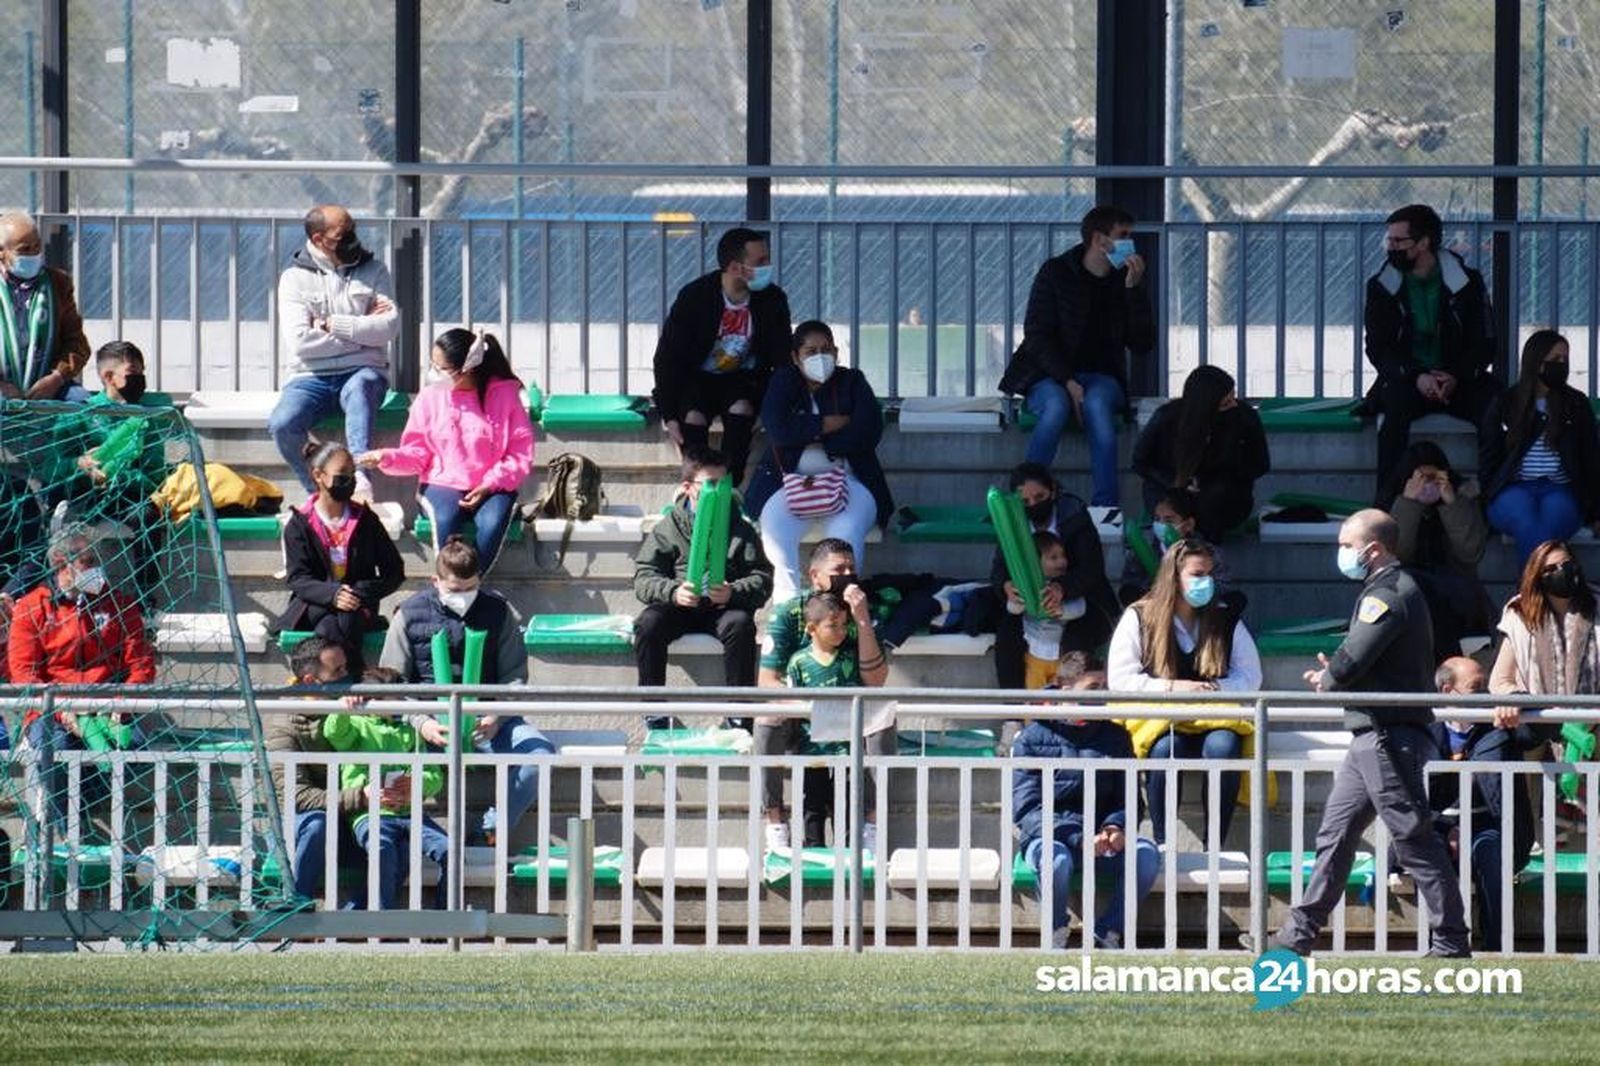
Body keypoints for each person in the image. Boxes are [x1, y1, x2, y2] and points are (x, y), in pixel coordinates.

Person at [1270, 508, 1471, 957]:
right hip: (1374, 735)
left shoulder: (1388, 593)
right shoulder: (1389, 589)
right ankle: (1296, 936)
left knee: (1413, 838)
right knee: (1336, 835)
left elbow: (1352, 660)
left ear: (1373, 549)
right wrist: (1337, 674)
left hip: (1386, 735)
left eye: (1347, 545)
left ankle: (1451, 941)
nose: (1341, 553)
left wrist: (1330, 677)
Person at [380, 536, 552, 847]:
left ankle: (490, 830)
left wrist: (496, 716)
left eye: (470, 588)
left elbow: (514, 676)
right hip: (429, 724)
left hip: (488, 720)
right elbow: (390, 682)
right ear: (435, 581)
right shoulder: (408, 614)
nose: (463, 597)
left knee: (539, 757)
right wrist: (422, 722)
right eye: (454, 590)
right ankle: (410, 844)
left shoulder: (499, 611)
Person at [1108, 538, 1260, 847]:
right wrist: (1171, 687)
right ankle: (1163, 844)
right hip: (1162, 720)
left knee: (1224, 748)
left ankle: (1214, 846)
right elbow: (1120, 678)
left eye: (1209, 574)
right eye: (1197, 574)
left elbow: (1251, 676)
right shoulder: (1139, 617)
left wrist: (1214, 689)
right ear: (1173, 577)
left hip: (1213, 718)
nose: (1206, 582)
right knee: (1165, 750)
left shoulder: (1225, 617)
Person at [999, 205, 1154, 507]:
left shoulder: (1124, 280)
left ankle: (1105, 509)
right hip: (1049, 374)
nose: (1130, 244)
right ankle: (1025, 499)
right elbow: (1037, 335)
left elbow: (1142, 344)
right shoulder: (1057, 272)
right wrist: (1068, 381)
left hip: (1103, 377)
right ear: (1099, 240)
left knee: (1097, 406)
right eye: (1123, 235)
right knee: (1055, 406)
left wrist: (1134, 291)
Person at [7, 527, 156, 827]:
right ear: (61, 564)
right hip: (51, 710)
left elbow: (141, 663)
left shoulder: (119, 604)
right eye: (87, 562)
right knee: (56, 746)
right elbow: (23, 673)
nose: (95, 568)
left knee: (136, 749)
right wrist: (61, 709)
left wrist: (120, 702)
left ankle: (80, 808)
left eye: (95, 560)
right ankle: (65, 831)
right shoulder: (31, 607)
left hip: (106, 705)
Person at [359, 329, 534, 575]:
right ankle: (448, 583)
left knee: (492, 523)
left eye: (442, 368)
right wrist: (387, 457)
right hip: (442, 482)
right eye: (433, 365)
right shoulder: (429, 398)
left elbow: (519, 454)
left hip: (493, 486)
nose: (434, 373)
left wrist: (490, 484)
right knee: (446, 519)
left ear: (468, 367)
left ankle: (470, 584)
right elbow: (417, 453)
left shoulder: (505, 395)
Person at [1011, 669, 1161, 950]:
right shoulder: (1030, 738)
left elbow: (1129, 797)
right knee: (1055, 860)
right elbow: (1027, 809)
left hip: (1101, 841)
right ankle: (1055, 930)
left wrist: (1116, 826)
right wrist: (1078, 838)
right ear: (1066, 691)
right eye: (1093, 687)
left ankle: (1108, 931)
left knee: (1146, 855)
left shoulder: (1116, 736)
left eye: (1104, 686)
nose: (1101, 693)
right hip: (1052, 839)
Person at [745, 321, 892, 600]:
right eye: (810, 351)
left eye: (826, 349)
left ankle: (838, 607)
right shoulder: (783, 381)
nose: (820, 357)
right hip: (791, 484)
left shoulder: (853, 381)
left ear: (836, 352)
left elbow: (868, 431)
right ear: (795, 357)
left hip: (850, 484)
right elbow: (778, 431)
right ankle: (788, 607)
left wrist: (805, 431)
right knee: (775, 531)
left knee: (844, 537)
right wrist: (828, 424)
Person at [756, 540, 890, 848]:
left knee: (884, 716)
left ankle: (871, 823)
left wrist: (862, 618)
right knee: (766, 719)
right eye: (838, 569)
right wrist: (811, 708)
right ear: (815, 576)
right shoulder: (790, 612)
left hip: (852, 712)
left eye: (851, 568)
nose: (847, 575)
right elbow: (767, 681)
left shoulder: (863, 610)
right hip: (802, 711)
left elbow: (876, 681)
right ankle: (775, 822)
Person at [1364, 203, 1499, 497]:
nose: (1391, 247)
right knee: (1392, 418)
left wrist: (1455, 375)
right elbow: (1378, 348)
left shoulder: (1468, 283)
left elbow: (1486, 342)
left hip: (1459, 381)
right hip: (1408, 380)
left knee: (1494, 411)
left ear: (1424, 243)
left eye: (1398, 241)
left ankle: (1492, 500)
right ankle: (1387, 505)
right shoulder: (1381, 286)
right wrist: (1416, 376)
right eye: (1389, 240)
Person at [632, 446, 773, 730]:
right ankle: (653, 709)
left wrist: (734, 591)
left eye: (724, 484)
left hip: (722, 608)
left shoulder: (741, 528)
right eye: (711, 484)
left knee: (741, 624)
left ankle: (739, 714)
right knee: (648, 623)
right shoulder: (668, 527)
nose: (719, 491)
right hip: (679, 607)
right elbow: (644, 576)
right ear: (688, 487)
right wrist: (674, 592)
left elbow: (762, 576)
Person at [270, 204, 398, 497]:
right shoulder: (293, 279)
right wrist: (362, 336)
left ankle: (360, 474)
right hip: (309, 377)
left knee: (361, 388)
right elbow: (301, 341)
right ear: (318, 239)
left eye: (353, 230)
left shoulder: (374, 270)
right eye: (343, 235)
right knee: (282, 423)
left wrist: (330, 325)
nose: (353, 239)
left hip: (362, 370)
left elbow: (388, 328)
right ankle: (318, 490)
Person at [652, 226, 792, 485]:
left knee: (742, 409)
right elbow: (667, 358)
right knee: (693, 416)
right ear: (735, 267)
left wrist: (771, 407)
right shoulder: (695, 297)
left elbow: (782, 358)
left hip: (742, 379)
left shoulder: (772, 299)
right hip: (697, 379)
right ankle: (697, 485)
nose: (768, 266)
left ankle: (729, 485)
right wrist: (669, 414)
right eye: (760, 261)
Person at [1429, 656, 1545, 953]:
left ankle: (1496, 951)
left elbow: (1543, 730)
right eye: (1475, 687)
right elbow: (1409, 796)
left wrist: (1517, 701)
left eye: (1486, 687)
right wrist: (1448, 827)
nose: (1484, 695)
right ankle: (1442, 947)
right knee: (1429, 857)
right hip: (1437, 825)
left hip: (1488, 824)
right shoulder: (1426, 729)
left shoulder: (1499, 725)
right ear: (1447, 691)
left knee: (1491, 854)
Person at [1488, 540, 1600, 828]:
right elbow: (1500, 680)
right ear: (1536, 577)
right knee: (1539, 825)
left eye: (1566, 565)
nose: (1561, 572)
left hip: (1594, 726)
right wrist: (1514, 700)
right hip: (1541, 728)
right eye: (1550, 569)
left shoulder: (1597, 606)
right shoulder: (1519, 614)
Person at [279, 441, 407, 671]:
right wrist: (333, 594)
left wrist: (357, 593)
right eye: (342, 474)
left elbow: (394, 571)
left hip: (358, 606)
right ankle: (356, 674)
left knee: (336, 622)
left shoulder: (366, 519)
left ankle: (330, 681)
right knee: (341, 616)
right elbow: (298, 578)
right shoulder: (300, 523)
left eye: (352, 473)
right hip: (315, 605)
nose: (350, 480)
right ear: (318, 476)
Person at [991, 462, 1119, 689]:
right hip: (1030, 605)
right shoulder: (1012, 525)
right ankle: (1013, 706)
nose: (1033, 505)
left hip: (1083, 600)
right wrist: (1006, 586)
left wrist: (1062, 588)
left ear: (1052, 490)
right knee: (1007, 637)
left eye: (1039, 497)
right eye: (1025, 502)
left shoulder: (1075, 517)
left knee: (1076, 639)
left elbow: (1091, 569)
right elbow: (999, 568)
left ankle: (1071, 701)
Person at [1480, 330, 1600, 563]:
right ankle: (1546, 584)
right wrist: (1487, 492)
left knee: (1549, 523)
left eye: (1565, 359)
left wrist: (1596, 512)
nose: (1562, 365)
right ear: (1536, 362)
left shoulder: (1575, 403)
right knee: (1526, 519)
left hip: (1561, 488)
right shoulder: (1506, 403)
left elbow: (1591, 459)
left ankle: (1530, 586)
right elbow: (1488, 455)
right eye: (1555, 359)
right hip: (1513, 488)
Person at [267, 636, 369, 904]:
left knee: (395, 835)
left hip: (349, 820)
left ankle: (356, 917)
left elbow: (400, 704)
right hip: (302, 824)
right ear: (311, 681)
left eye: (346, 667)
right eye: (337, 671)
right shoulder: (284, 724)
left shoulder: (356, 704)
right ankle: (295, 905)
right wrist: (360, 796)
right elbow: (296, 796)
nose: (347, 676)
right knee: (316, 825)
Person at [323, 700, 449, 910]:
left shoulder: (411, 731)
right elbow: (333, 732)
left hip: (409, 815)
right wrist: (345, 702)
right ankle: (381, 920)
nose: (392, 701)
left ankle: (446, 918)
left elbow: (435, 777)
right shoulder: (356, 724)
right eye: (383, 696)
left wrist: (415, 783)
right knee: (383, 849)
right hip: (369, 815)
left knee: (450, 851)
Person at [1378, 439, 1492, 659]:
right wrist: (1408, 503)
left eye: (1433, 478)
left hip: (1456, 591)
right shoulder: (1392, 503)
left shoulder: (1461, 499)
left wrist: (1452, 504)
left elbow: (1471, 553)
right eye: (1421, 478)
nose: (1427, 484)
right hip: (1410, 588)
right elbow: (1396, 555)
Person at [1131, 365, 1269, 541]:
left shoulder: (1243, 417)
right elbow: (1141, 462)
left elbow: (1260, 464)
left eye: (1233, 398)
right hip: (1172, 486)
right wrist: (1175, 481)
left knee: (1216, 497)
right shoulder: (1167, 417)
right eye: (1225, 403)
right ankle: (1169, 543)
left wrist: (1226, 468)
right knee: (1164, 502)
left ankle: (1207, 545)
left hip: (1222, 492)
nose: (1233, 405)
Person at [0, 211, 90, 400]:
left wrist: (57, 377)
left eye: (37, 247)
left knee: (79, 398)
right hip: (3, 386)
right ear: (2, 252)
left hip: (48, 382)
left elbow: (77, 343)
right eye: (24, 249)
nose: (33, 254)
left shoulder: (57, 283)